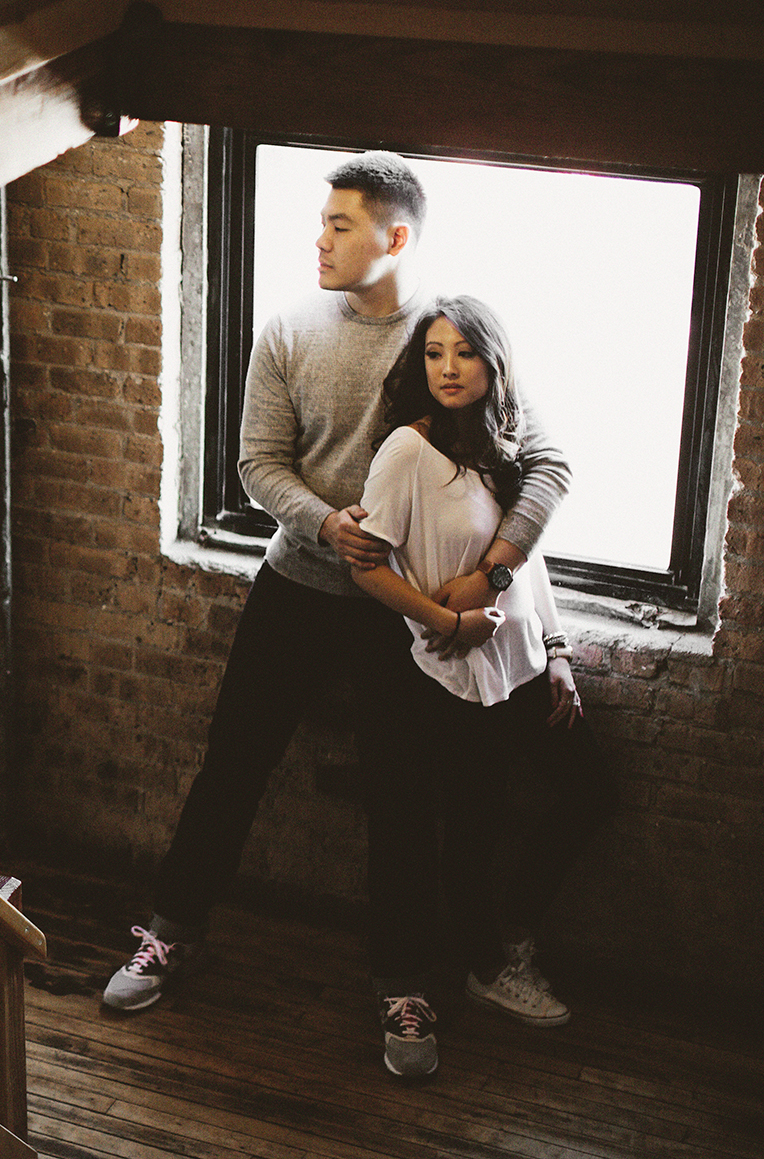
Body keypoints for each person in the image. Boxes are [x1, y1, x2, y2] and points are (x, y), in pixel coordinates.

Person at [102, 153, 572, 1013]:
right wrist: (325, 521)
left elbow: (545, 463)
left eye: (339, 225)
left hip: (403, 612)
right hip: (298, 584)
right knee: (233, 763)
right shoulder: (289, 329)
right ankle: (173, 930)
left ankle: (403, 986)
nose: (319, 239)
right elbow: (258, 463)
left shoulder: (449, 337)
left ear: (396, 238)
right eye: (322, 222)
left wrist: (493, 572)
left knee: (400, 798)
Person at [351, 295, 613, 1078]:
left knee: (594, 790)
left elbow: (524, 556)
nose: (449, 368)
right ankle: (488, 966)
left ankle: (518, 930)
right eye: (434, 353)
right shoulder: (407, 449)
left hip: (527, 663)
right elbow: (367, 566)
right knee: (473, 826)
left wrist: (558, 647)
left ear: (494, 364)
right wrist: (448, 619)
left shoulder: (504, 444)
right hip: (460, 673)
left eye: (464, 353)